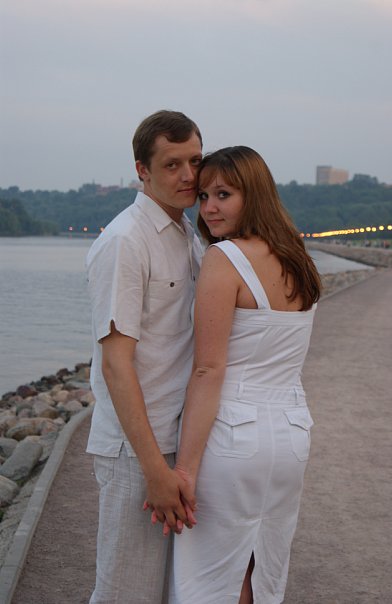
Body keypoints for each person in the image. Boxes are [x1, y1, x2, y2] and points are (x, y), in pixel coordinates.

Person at [167, 146, 322, 603]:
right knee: (260, 568)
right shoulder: (298, 258)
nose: (209, 208)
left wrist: (184, 469)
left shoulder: (226, 258)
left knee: (212, 578)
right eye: (204, 196)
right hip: (291, 434)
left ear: (253, 195)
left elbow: (208, 369)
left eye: (224, 194)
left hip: (234, 437)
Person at [86, 110, 203, 603]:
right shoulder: (125, 241)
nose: (189, 175)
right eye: (172, 164)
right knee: (126, 593)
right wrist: (154, 469)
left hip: (177, 439)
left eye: (195, 160)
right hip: (138, 449)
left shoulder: (187, 233)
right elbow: (116, 364)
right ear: (142, 170)